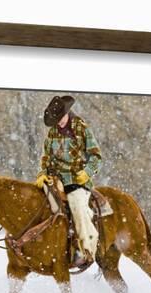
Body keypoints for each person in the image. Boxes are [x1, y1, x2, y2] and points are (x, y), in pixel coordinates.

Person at [36, 95, 103, 265]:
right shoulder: (52, 132)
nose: (58, 123)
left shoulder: (81, 128)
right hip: (55, 178)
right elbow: (46, 156)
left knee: (76, 205)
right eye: (55, 120)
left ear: (67, 113)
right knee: (39, 202)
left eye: (60, 118)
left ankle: (85, 247)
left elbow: (96, 156)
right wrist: (42, 173)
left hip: (77, 179)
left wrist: (87, 172)